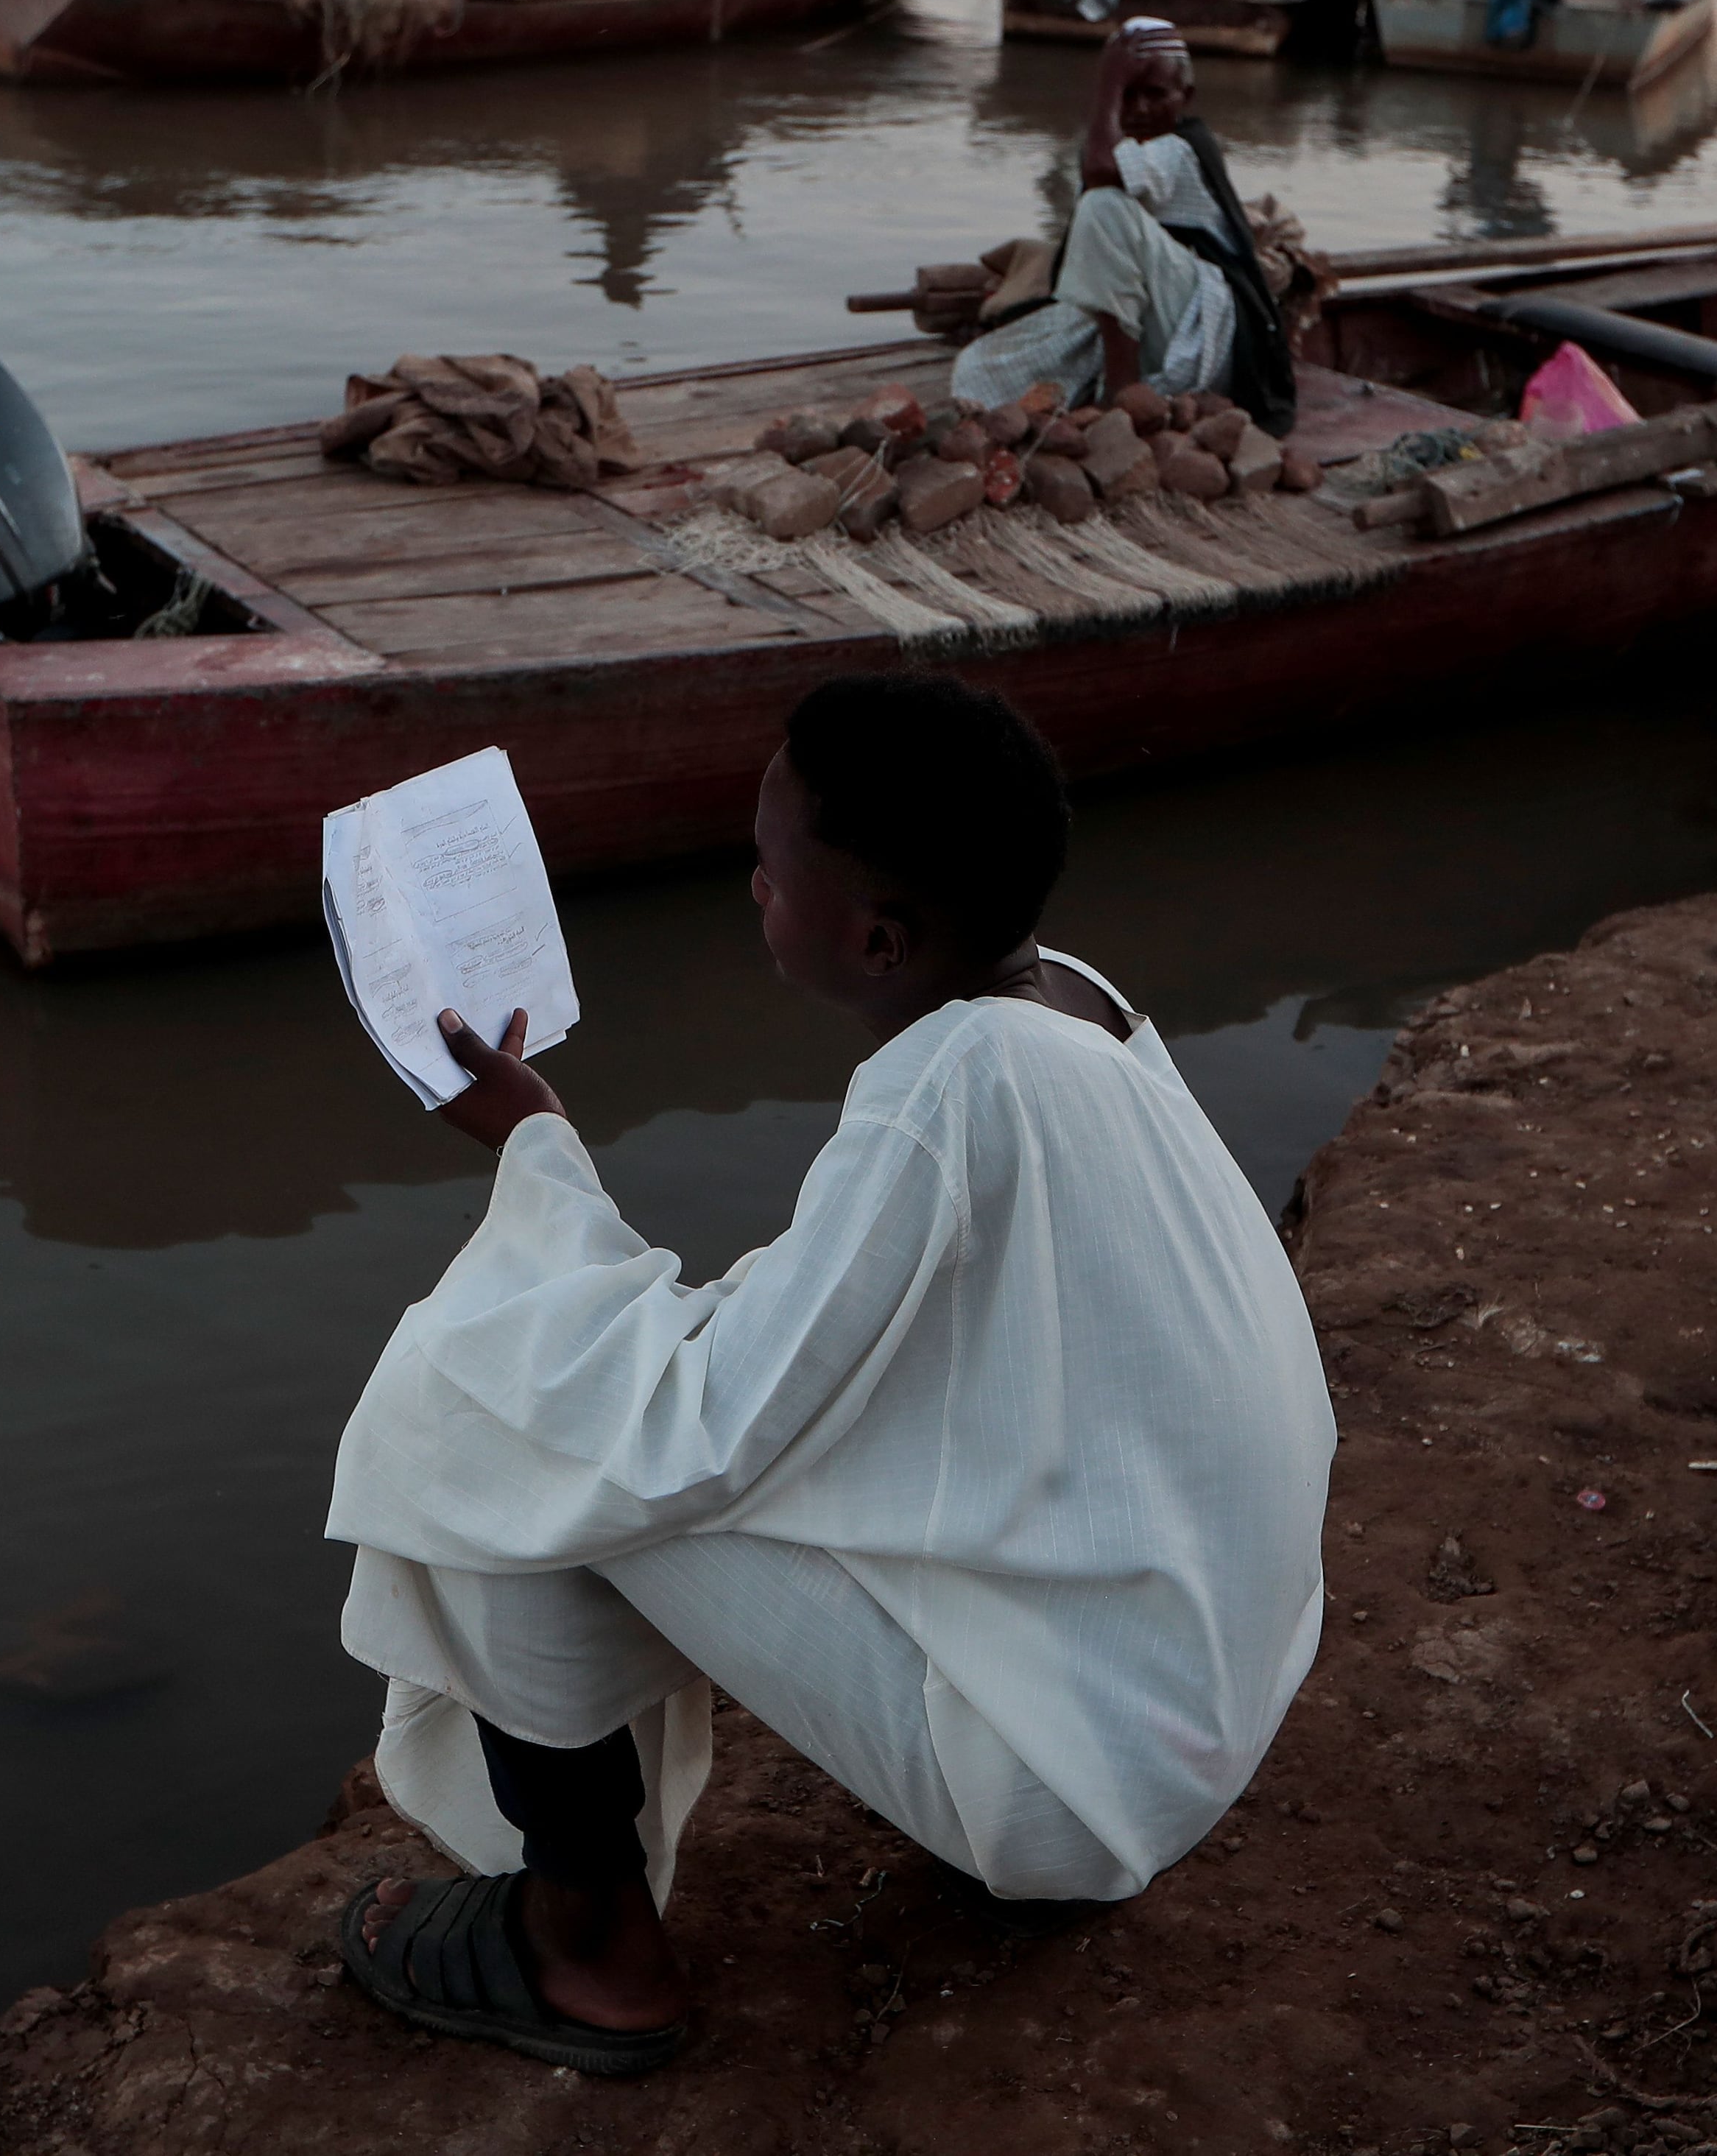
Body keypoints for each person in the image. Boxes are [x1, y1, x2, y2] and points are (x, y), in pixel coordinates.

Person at [326, 674, 1333, 2078]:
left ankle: (588, 1944)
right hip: (1188, 1698)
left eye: (771, 863)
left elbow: (694, 1429)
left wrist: (535, 1151)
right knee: (572, 1373)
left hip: (1084, 1786)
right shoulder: (1068, 1006)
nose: (751, 883)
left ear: (875, 934)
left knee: (479, 1402)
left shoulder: (951, 1096)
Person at [948, 17, 1298, 433]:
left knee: (1102, 206)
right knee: (977, 368)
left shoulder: (1177, 149)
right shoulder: (1126, 150)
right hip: (1146, 320)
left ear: (1186, 98)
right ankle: (1121, 385)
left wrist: (1110, 84)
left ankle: (1121, 393)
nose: (1139, 110)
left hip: (1203, 331)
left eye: (1156, 94)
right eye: (1128, 96)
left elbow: (1099, 173)